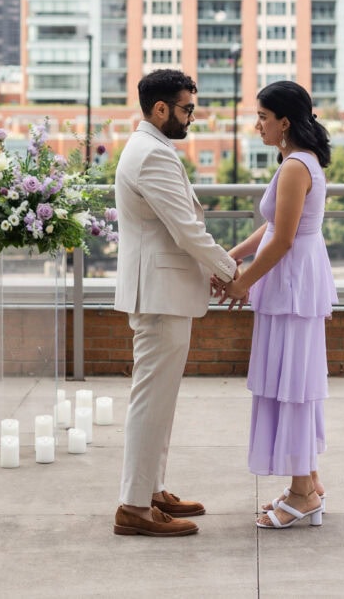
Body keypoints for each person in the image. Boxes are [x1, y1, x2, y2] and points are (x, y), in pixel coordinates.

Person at [113, 69, 237, 537]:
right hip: (159, 295)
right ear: (160, 109)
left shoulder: (149, 148)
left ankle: (152, 489)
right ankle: (134, 507)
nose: (192, 118)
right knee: (150, 402)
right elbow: (188, 229)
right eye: (186, 109)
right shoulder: (152, 155)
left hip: (160, 291)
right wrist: (230, 271)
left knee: (158, 400)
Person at [215, 80, 338, 529]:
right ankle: (309, 482)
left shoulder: (294, 167)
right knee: (294, 380)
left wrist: (241, 283)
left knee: (293, 383)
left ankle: (304, 494)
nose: (257, 124)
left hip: (290, 287)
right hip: (292, 285)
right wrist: (233, 258)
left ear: (285, 122)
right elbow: (272, 229)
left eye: (263, 117)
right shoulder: (298, 162)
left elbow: (283, 239)